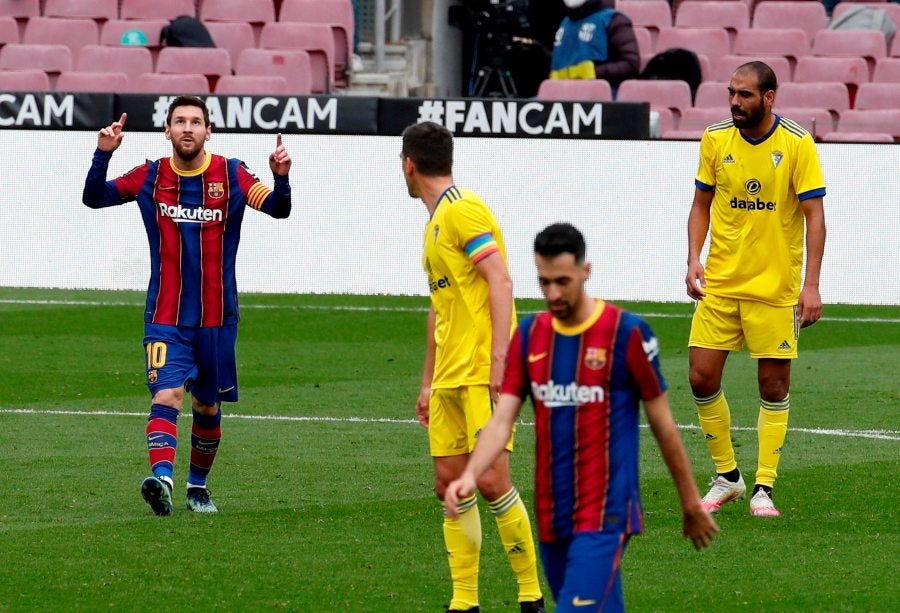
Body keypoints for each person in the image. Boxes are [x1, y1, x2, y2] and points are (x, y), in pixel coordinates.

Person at [445, 223, 718, 613]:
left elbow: (663, 426)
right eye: (544, 283)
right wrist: (470, 475)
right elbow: (502, 419)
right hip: (553, 512)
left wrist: (690, 502)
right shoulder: (530, 336)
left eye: (562, 281)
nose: (553, 293)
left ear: (585, 272)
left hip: (606, 513)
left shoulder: (626, 335)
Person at [82, 96, 292, 516]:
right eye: (179, 121)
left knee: (206, 407)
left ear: (208, 131)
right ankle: (162, 480)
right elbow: (94, 197)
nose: (188, 128)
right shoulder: (151, 175)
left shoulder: (231, 174)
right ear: (168, 131)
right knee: (168, 393)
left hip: (217, 318)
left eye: (196, 122)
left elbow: (278, 209)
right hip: (165, 315)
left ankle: (198, 487)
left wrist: (280, 177)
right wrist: (101, 155)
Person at [401, 121, 545, 613]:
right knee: (449, 484)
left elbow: (500, 281)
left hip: (483, 372)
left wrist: (502, 361)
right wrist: (426, 381)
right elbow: (439, 308)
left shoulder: (464, 210)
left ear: (409, 165)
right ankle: (464, 602)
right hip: (448, 378)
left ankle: (530, 595)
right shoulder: (435, 222)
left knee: (491, 481)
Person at [686, 61, 827, 518]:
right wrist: (694, 258)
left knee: (773, 384)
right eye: (731, 93)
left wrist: (811, 285)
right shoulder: (715, 138)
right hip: (721, 284)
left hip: (775, 288)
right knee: (701, 377)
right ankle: (727, 477)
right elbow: (701, 203)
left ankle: (763, 486)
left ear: (769, 97)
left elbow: (814, 217)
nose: (734, 102)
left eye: (745, 95)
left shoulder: (796, 143)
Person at [549, 0, 641, 89]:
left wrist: (593, 72)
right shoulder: (565, 23)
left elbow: (631, 65)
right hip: (561, 94)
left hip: (601, 97)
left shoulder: (613, 20)